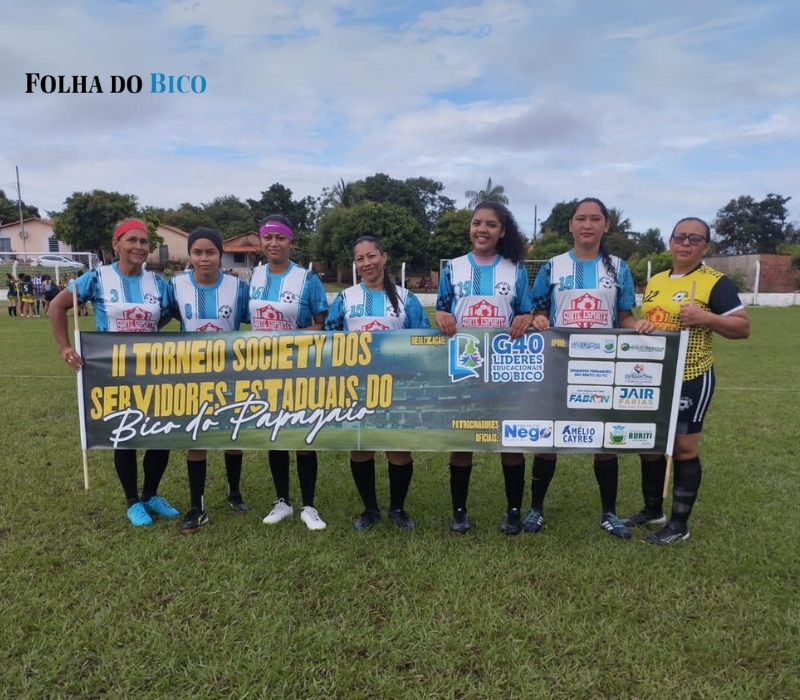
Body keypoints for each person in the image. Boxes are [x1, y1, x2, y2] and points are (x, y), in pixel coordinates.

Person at [623, 217, 750, 544]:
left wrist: (705, 317)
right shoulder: (656, 280)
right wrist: (642, 325)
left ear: (705, 246)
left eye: (695, 239)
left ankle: (679, 525)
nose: (686, 243)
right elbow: (651, 321)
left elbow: (742, 327)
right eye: (680, 237)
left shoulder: (714, 282)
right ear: (670, 241)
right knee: (650, 444)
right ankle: (653, 510)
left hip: (691, 376)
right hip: (654, 377)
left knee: (683, 449)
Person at [50, 218, 180, 528]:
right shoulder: (97, 278)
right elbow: (56, 306)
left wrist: (146, 333)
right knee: (126, 434)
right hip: (113, 372)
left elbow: (169, 312)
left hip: (152, 369)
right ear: (116, 244)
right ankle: (132, 501)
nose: (139, 246)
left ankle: (151, 494)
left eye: (144, 241)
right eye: (131, 240)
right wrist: (65, 347)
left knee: (161, 434)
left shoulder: (158, 283)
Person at [528, 197, 645, 539]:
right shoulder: (552, 266)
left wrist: (638, 326)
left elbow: (624, 316)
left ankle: (609, 513)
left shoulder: (619, 268)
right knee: (547, 438)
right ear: (571, 225)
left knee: (604, 440)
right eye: (581, 218)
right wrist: (537, 319)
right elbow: (538, 311)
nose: (587, 225)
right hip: (557, 364)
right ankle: (535, 509)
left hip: (601, 364)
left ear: (606, 225)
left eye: (595, 219)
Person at [435, 202, 533, 535]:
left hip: (505, 364)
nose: (482, 229)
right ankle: (459, 512)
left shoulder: (515, 269)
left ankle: (513, 511)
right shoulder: (453, 268)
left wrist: (526, 318)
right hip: (464, 363)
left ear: (502, 231)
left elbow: (526, 311)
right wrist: (441, 315)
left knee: (510, 442)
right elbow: (442, 308)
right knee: (462, 439)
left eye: (491, 225)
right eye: (477, 223)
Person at [326, 235, 431, 530]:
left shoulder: (406, 298)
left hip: (397, 386)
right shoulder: (346, 298)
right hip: (356, 386)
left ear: (383, 257)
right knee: (361, 447)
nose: (366, 263)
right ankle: (370, 509)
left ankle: (397, 509)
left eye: (371, 256)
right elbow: (328, 338)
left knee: (399, 449)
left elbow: (423, 338)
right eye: (360, 259)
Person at [249, 215, 330, 531]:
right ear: (261, 241)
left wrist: (288, 340)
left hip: (300, 368)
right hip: (263, 370)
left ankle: (309, 506)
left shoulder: (307, 279)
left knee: (303, 434)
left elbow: (322, 323)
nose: (273, 243)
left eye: (280, 238)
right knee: (276, 431)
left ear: (290, 242)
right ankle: (282, 501)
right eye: (268, 238)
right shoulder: (254, 276)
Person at [170, 228, 251, 534]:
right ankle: (197, 506)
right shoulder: (175, 285)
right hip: (191, 376)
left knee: (233, 436)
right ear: (190, 255)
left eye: (210, 252)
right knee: (197, 439)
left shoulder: (238, 287)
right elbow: (161, 318)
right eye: (197, 252)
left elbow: (255, 320)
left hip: (230, 374)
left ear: (220, 254)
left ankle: (234, 492)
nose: (204, 258)